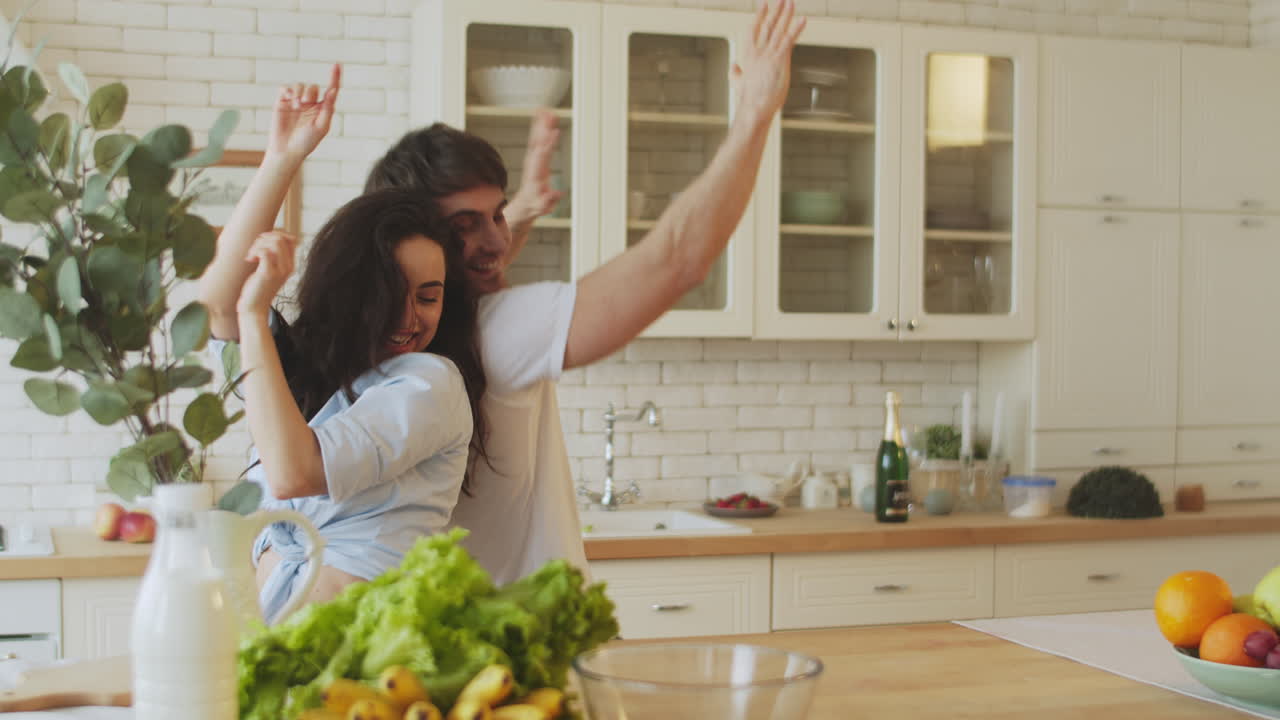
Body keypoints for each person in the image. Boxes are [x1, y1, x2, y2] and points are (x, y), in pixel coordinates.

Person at [363, 1, 805, 584]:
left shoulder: (398, 336)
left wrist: (516, 212)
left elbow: (472, 267)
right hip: (521, 639)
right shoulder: (498, 332)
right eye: (465, 224)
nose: (494, 240)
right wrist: (755, 111)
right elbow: (677, 259)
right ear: (415, 239)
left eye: (496, 215)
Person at [197, 68, 489, 622]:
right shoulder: (312, 376)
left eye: (429, 297)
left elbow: (293, 472)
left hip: (369, 651)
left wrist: (256, 313)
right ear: (352, 289)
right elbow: (217, 303)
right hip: (287, 637)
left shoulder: (430, 383)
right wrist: (283, 158)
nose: (410, 317)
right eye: (391, 294)